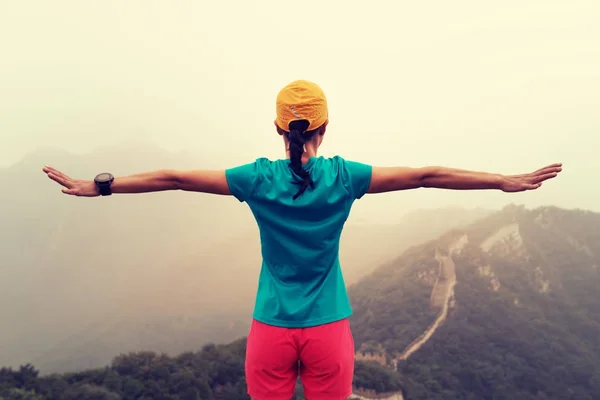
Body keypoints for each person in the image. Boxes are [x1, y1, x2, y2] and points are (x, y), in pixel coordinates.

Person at [43, 80, 562, 400]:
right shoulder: (344, 176)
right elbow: (426, 174)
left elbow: (175, 177)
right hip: (328, 329)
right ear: (325, 127)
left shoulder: (257, 178)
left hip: (270, 327)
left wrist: (102, 186)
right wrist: (501, 180)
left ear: (277, 128)